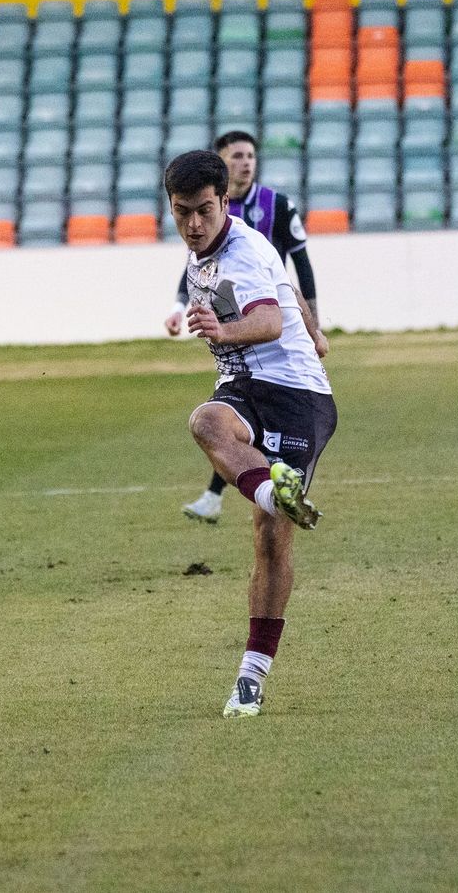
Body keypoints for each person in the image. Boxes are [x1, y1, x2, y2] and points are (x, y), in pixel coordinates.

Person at [165, 149, 338, 718]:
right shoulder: (203, 255)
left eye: (206, 211)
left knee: (269, 540)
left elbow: (269, 321)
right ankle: (273, 488)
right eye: (183, 212)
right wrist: (316, 330)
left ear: (225, 203)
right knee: (205, 421)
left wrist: (223, 327)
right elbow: (285, 293)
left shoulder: (241, 251)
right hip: (247, 386)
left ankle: (251, 674)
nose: (194, 224)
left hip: (296, 397)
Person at [167, 131, 326, 524]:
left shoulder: (268, 217)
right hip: (249, 370)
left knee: (271, 534)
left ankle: (235, 497)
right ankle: (261, 495)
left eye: (249, 156)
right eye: (236, 156)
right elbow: (276, 287)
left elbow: (287, 287)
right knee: (214, 424)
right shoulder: (206, 246)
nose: (245, 163)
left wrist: (313, 328)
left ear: (222, 202)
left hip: (287, 378)